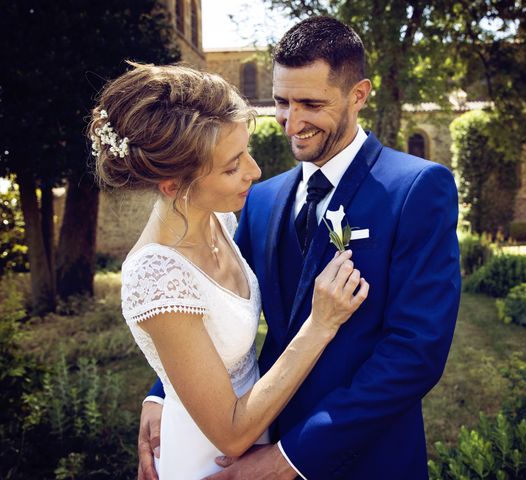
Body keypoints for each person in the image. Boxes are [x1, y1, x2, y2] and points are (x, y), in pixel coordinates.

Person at [139, 16, 461, 480]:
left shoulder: (415, 188)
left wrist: (289, 458)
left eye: (311, 103)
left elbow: (416, 353)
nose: (292, 121)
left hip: (367, 457)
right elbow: (209, 304)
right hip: (254, 437)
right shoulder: (263, 198)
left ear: (359, 95)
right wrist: (162, 392)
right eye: (281, 101)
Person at [89, 62, 369, 479]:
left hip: (257, 436)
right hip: (209, 459)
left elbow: (203, 347)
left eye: (246, 152)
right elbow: (232, 434)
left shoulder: (221, 221)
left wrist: (161, 394)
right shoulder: (155, 276)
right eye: (232, 165)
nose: (255, 172)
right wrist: (321, 324)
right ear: (173, 185)